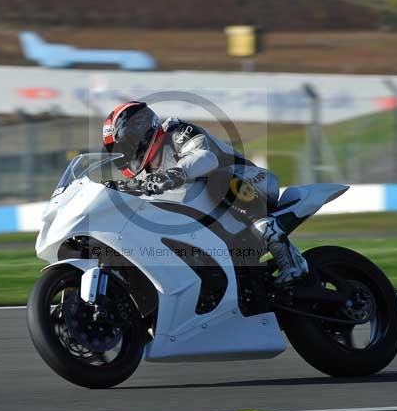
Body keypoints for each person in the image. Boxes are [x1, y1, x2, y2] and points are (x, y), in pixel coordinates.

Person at [101, 101, 309, 285]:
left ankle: (288, 258)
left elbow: (206, 158)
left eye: (124, 145)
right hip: (214, 215)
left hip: (252, 183)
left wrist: (175, 174)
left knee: (220, 179)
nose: (123, 153)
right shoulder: (145, 172)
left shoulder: (177, 132)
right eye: (116, 149)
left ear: (139, 133)